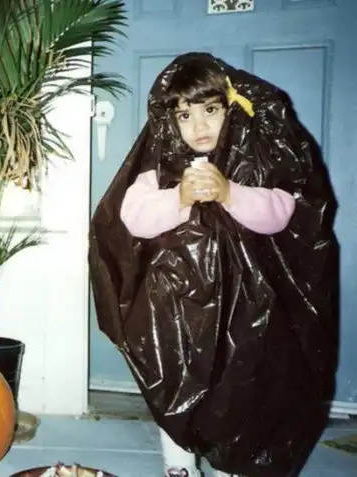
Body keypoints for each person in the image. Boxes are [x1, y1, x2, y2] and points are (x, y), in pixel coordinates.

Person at [89, 53, 339, 477]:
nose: (199, 126)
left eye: (210, 110)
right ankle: (179, 466)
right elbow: (133, 217)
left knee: (239, 390)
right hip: (175, 313)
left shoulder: (253, 161)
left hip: (245, 313)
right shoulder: (158, 170)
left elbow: (280, 213)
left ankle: (232, 463)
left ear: (231, 109)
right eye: (185, 115)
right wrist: (179, 197)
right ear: (170, 121)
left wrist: (229, 193)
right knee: (176, 389)